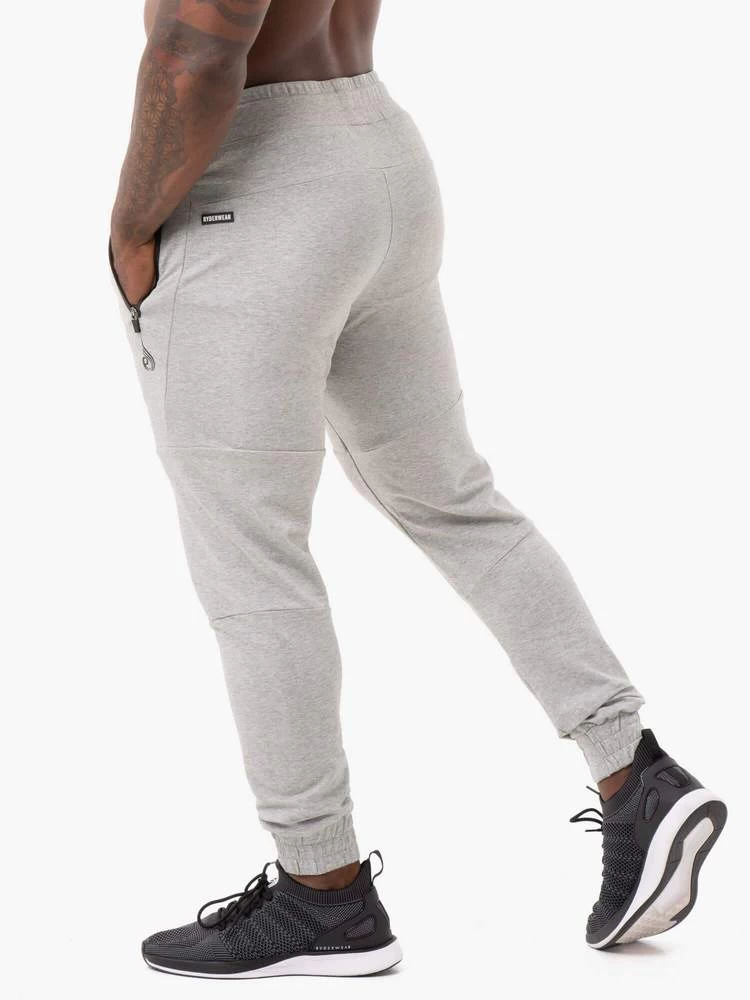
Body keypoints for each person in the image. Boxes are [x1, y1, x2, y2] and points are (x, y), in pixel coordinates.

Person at [110, 0, 726, 978]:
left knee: (252, 559)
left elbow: (195, 45)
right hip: (377, 154)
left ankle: (322, 892)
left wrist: (130, 229)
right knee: (452, 497)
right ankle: (634, 773)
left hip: (255, 187)